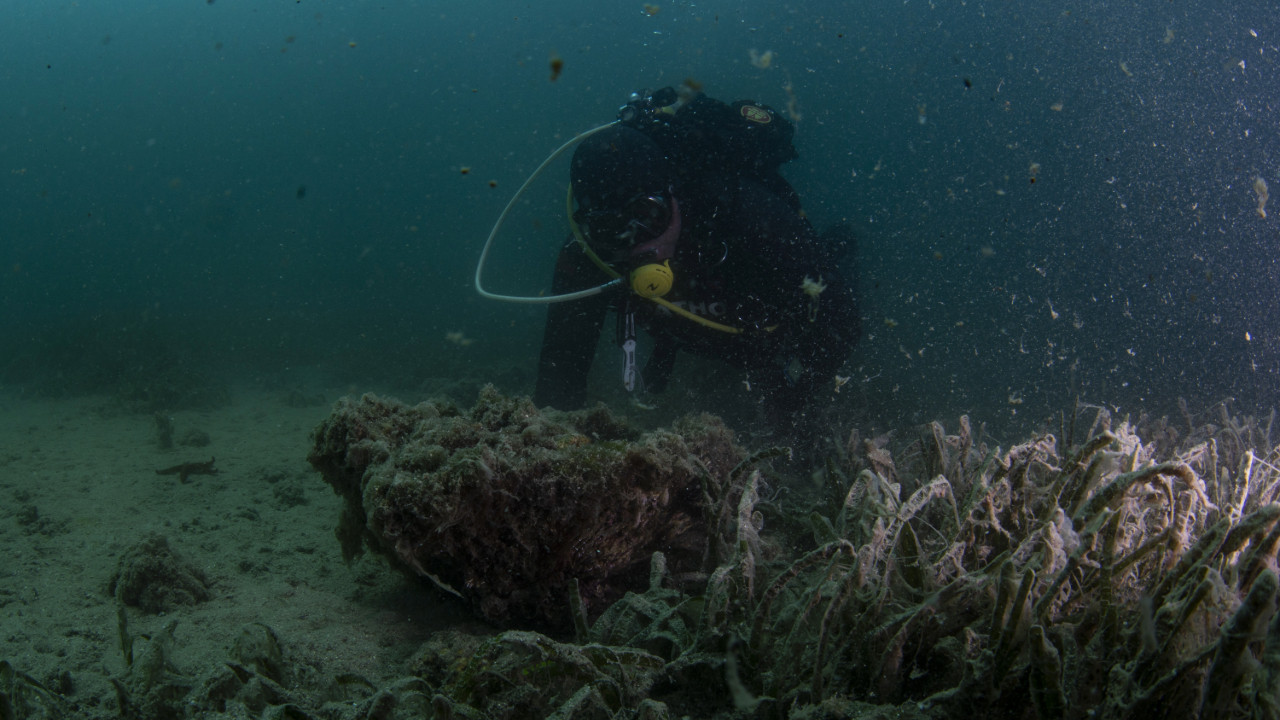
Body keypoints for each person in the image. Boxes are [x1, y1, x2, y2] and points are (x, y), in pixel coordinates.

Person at [533, 87, 859, 443]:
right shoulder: (590, 253)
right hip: (695, 333)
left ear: (675, 195)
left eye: (647, 215)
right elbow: (559, 380)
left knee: (827, 280)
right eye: (612, 228)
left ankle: (837, 244)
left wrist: (798, 400)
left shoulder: (751, 217)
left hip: (761, 328)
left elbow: (842, 323)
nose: (636, 244)